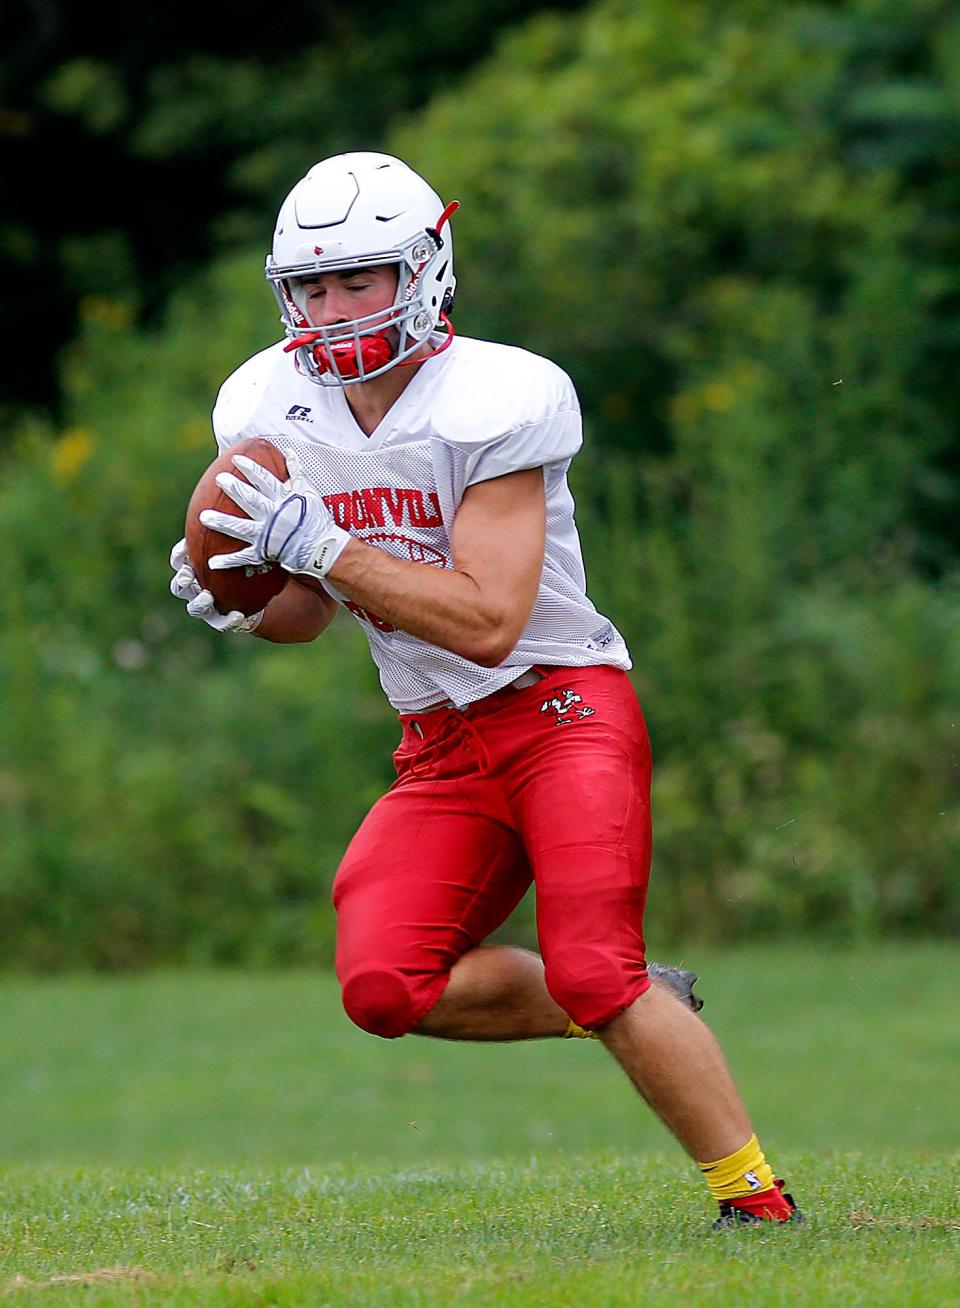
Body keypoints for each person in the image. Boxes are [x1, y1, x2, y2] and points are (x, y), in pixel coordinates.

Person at [169, 152, 801, 1228]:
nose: (332, 308)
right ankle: (635, 998)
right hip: (439, 742)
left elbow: (488, 617)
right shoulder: (267, 402)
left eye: (358, 279)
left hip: (561, 710)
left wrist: (320, 546)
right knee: (383, 988)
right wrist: (242, 604)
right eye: (312, 287)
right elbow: (308, 614)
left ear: (424, 270)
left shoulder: (498, 394)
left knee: (600, 964)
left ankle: (756, 1201)